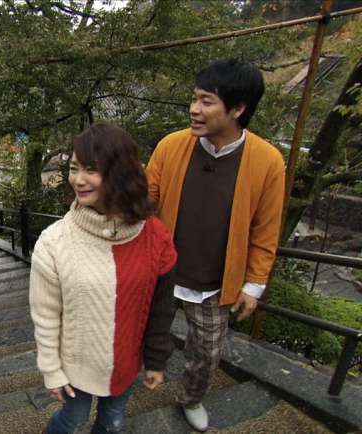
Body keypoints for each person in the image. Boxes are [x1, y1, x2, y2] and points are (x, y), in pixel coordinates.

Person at [145, 59, 285, 431]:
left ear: (237, 109)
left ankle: (191, 398)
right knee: (132, 332)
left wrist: (254, 284)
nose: (194, 109)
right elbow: (144, 200)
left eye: (206, 101)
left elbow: (266, 229)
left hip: (214, 283)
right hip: (161, 272)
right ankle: (117, 394)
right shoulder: (172, 145)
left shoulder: (267, 161)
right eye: (194, 99)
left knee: (207, 353)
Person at [30, 123, 178, 434]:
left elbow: (162, 307)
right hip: (75, 364)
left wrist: (156, 360)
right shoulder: (54, 242)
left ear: (120, 173)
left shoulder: (155, 236)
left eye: (91, 170)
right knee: (73, 419)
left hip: (126, 362)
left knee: (112, 423)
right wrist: (51, 369)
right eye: (74, 168)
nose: (78, 180)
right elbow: (45, 314)